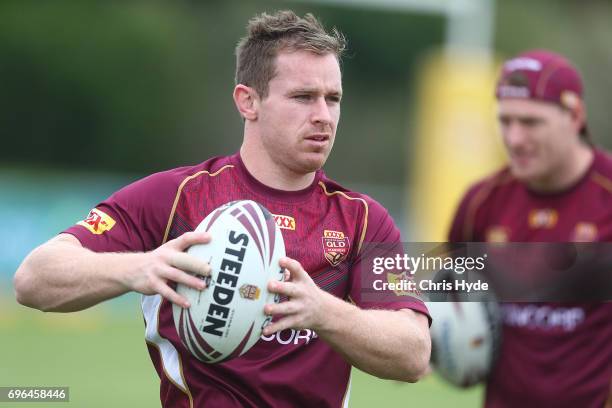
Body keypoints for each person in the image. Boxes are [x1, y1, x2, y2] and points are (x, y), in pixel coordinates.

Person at [13, 10, 431, 408]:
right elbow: (34, 278)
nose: (323, 115)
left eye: (333, 98)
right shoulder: (176, 197)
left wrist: (322, 311)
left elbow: (413, 353)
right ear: (248, 101)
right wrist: (139, 269)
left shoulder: (362, 220)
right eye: (303, 97)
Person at [448, 49, 612, 407]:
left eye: (531, 122)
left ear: (575, 116)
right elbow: (448, 293)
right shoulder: (481, 203)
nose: (515, 138)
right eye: (505, 121)